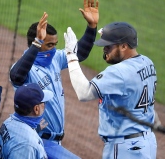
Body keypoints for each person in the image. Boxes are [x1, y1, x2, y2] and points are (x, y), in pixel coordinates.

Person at [9, 0, 99, 158]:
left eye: (55, 45)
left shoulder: (56, 58)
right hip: (38, 140)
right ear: (36, 43)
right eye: (49, 44)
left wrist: (91, 27)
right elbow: (16, 76)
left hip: (56, 141)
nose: (53, 49)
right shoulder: (25, 67)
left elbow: (81, 54)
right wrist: (37, 43)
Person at [65, 22, 157, 159]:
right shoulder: (147, 62)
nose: (104, 49)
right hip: (147, 143)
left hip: (126, 148)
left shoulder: (119, 72)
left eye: (109, 46)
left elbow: (84, 93)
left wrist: (71, 55)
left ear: (124, 46)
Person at [0, 83, 54, 159]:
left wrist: (33, 130)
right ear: (36, 109)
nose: (45, 105)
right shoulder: (27, 145)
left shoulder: (8, 122)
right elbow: (23, 143)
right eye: (43, 103)